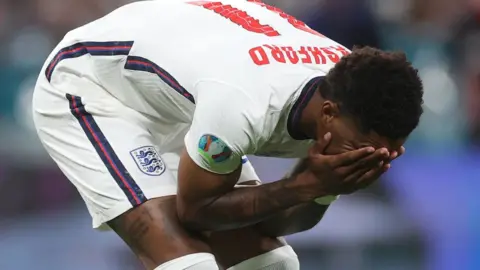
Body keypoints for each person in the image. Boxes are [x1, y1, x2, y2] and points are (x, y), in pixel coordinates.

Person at [32, 0, 424, 269]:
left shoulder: (353, 93)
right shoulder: (245, 103)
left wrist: (319, 188)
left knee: (273, 264)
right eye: (362, 148)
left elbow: (270, 226)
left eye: (389, 152)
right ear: (327, 114)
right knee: (188, 263)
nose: (374, 157)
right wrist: (303, 186)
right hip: (92, 84)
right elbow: (196, 212)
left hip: (177, 87)